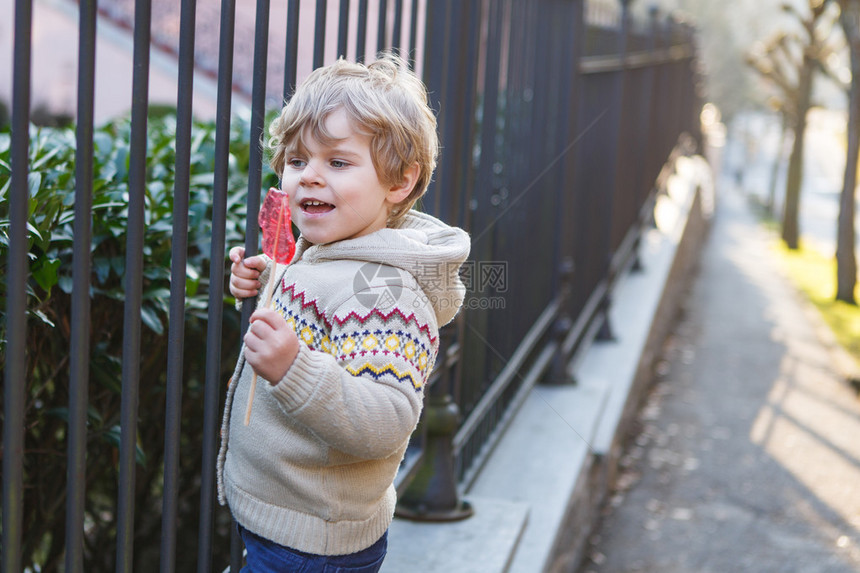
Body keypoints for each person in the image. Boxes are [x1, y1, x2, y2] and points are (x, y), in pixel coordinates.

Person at [217, 53, 471, 572]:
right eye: (296, 161)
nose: (309, 177)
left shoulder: (385, 293)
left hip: (313, 546)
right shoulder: (334, 253)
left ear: (399, 181)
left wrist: (293, 369)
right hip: (283, 524)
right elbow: (320, 300)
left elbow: (387, 417)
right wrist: (267, 277)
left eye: (336, 162)